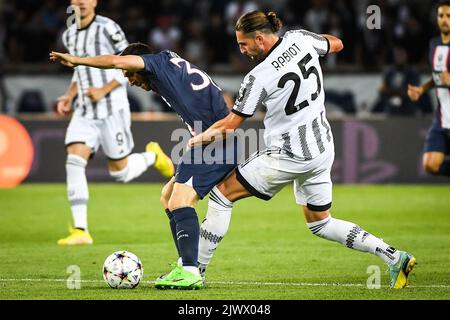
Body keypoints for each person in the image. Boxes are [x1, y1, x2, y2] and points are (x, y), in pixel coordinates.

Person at [189, 11, 416, 289]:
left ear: (259, 39)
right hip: (321, 148)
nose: (242, 50)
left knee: (222, 195)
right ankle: (394, 256)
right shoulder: (300, 39)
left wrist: (198, 138)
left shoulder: (257, 77)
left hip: (288, 153)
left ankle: (194, 271)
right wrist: (319, 43)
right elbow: (337, 44)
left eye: (243, 44)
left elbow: (230, 125)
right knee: (320, 223)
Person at [50, 42, 240, 289]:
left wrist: (77, 60)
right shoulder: (169, 65)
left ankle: (191, 271)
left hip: (216, 141)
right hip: (210, 139)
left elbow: (115, 61)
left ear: (138, 62)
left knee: (179, 201)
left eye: (130, 74)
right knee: (168, 196)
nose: (130, 81)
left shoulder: (155, 63)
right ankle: (186, 266)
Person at [55, 0, 174, 246]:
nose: (80, 3)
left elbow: (130, 63)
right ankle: (81, 230)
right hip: (85, 110)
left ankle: (152, 156)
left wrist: (103, 89)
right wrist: (69, 95)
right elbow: (81, 71)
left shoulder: (109, 28)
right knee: (74, 160)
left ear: (95, 2)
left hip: (112, 109)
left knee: (120, 173)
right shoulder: (70, 35)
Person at [408, 0, 450, 177]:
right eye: (441, 15)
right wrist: (422, 89)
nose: (444, 20)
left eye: (449, 16)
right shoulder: (434, 44)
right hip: (442, 119)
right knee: (430, 165)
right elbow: (437, 77)